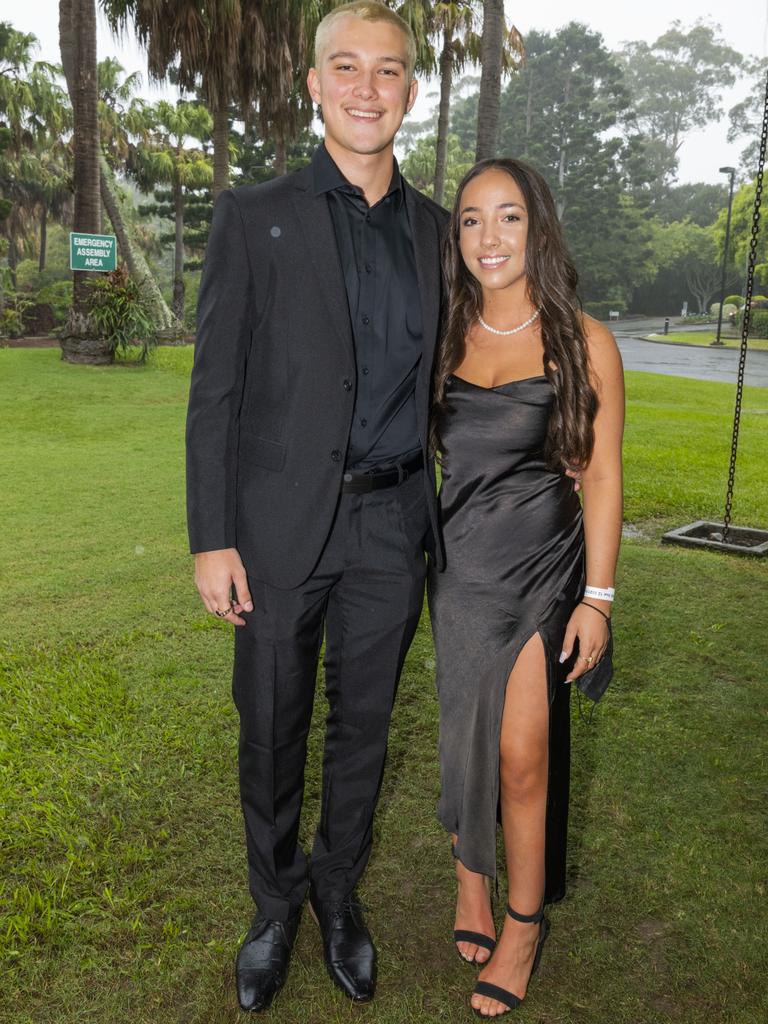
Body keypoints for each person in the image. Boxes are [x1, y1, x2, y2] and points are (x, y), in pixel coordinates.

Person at [185, 1, 448, 1013]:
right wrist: (212, 536)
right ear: (314, 84)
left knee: (365, 727)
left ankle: (337, 893)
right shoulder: (255, 216)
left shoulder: (436, 231)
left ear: (411, 93)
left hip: (393, 523)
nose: (367, 88)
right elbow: (215, 389)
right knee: (271, 721)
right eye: (347, 67)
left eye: (387, 72)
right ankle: (272, 904)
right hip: (277, 527)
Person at [428, 158, 624, 1019]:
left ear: (538, 226)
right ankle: (471, 878)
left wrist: (600, 598)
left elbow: (605, 476)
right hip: (457, 569)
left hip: (542, 571)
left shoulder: (585, 339)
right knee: (463, 735)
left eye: (508, 218)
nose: (489, 238)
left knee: (520, 754)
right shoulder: (441, 330)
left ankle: (522, 921)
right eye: (471, 220)